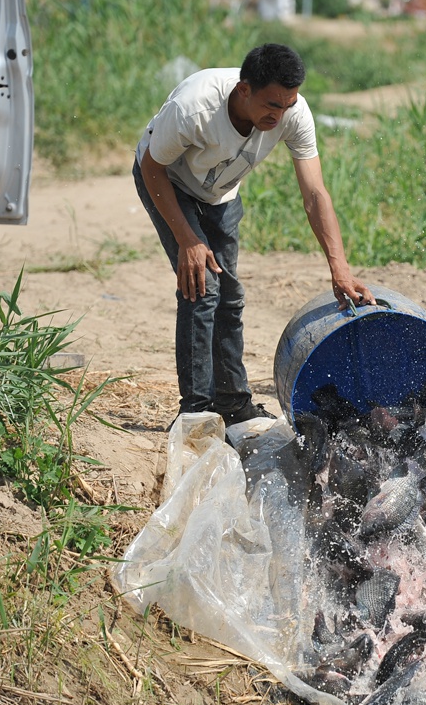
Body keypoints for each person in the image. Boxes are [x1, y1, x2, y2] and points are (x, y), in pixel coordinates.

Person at [134, 43, 374, 426]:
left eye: (288, 104)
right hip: (168, 182)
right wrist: (188, 240)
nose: (279, 115)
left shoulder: (295, 114)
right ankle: (195, 414)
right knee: (202, 288)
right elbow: (152, 168)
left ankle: (232, 404)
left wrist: (340, 268)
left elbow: (314, 194)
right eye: (271, 105)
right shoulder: (195, 108)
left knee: (230, 297)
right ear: (244, 90)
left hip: (220, 193)